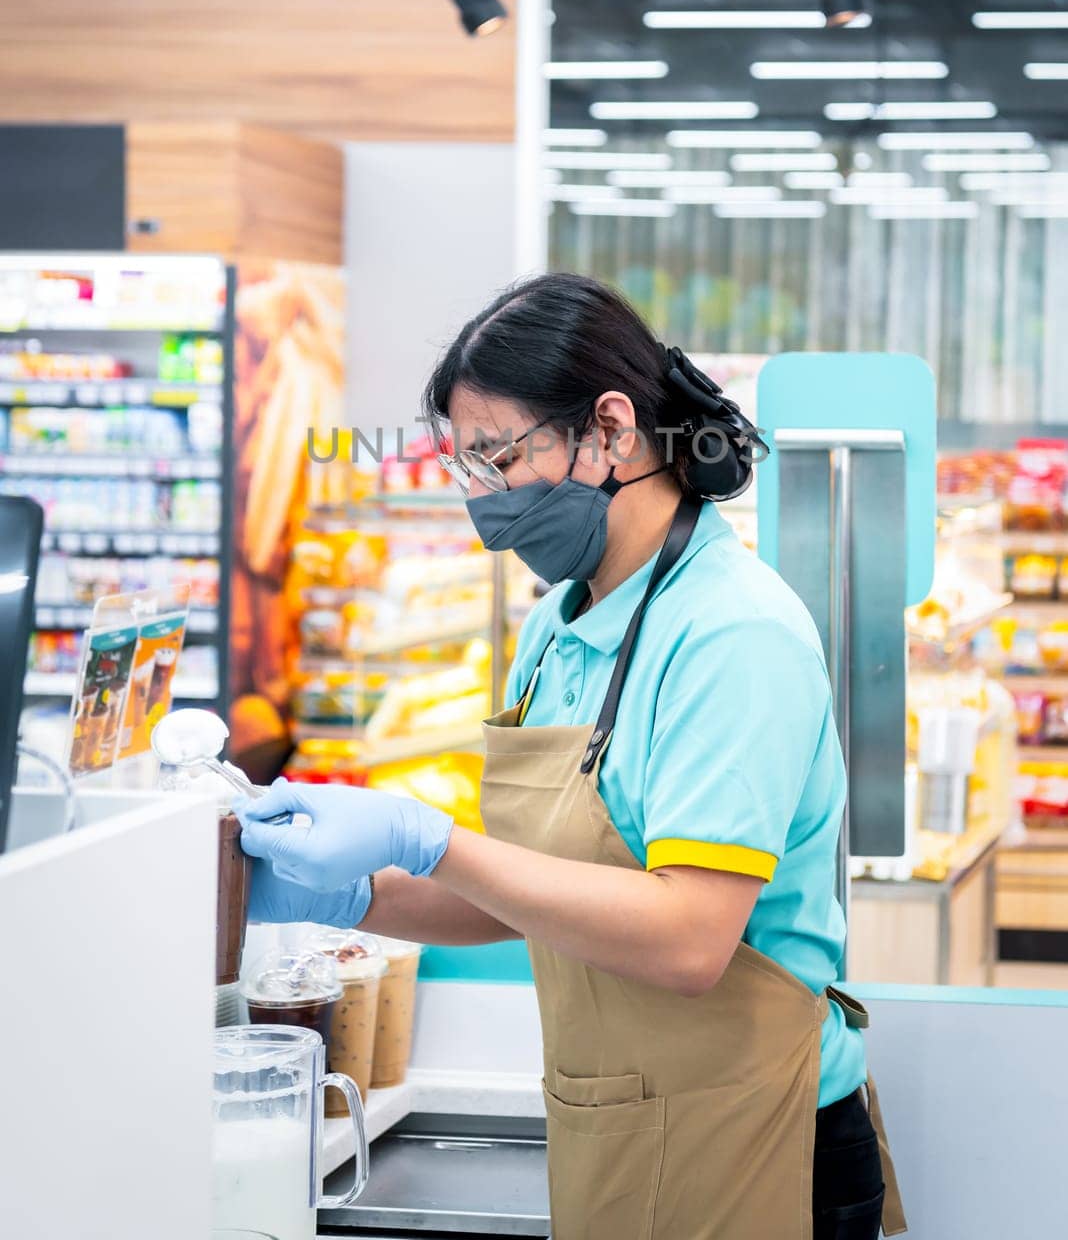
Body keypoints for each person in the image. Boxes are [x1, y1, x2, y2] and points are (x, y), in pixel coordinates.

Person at [239, 272, 905, 1240]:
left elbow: (686, 937)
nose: (486, 499)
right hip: (621, 1121)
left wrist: (430, 838)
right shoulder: (561, 622)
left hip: (756, 1134)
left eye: (497, 457)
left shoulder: (732, 633)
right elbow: (539, 889)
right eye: (467, 469)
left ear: (610, 429)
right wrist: (340, 892)